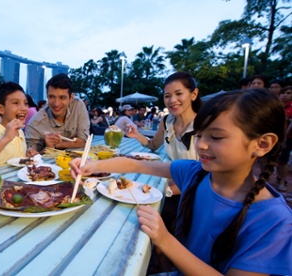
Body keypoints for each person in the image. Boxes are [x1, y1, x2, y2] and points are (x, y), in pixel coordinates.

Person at [70, 89, 292, 275]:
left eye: (215, 137)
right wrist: (91, 165)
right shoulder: (197, 174)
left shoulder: (274, 221)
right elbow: (136, 165)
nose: (202, 145)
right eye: (200, 135)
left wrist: (164, 239)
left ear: (262, 144)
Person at [125, 72, 202, 273]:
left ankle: (166, 262)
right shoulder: (167, 121)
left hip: (195, 190)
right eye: (167, 96)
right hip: (172, 183)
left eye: (178, 94)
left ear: (193, 94)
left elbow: (205, 172)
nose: (172, 100)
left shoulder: (204, 124)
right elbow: (153, 145)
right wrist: (136, 135)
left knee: (156, 215)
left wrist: (167, 189)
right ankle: (159, 261)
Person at [25, 74, 89, 152]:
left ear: (71, 98)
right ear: (47, 96)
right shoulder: (34, 125)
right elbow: (31, 158)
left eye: (62, 97)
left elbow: (84, 142)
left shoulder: (78, 105)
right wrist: (48, 148)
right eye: (52, 97)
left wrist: (57, 144)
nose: (56, 103)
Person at [277, 86, 292, 192]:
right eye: (283, 93)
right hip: (274, 136)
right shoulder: (276, 105)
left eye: (288, 93)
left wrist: (285, 136)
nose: (285, 95)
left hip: (286, 138)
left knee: (283, 160)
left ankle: (282, 182)